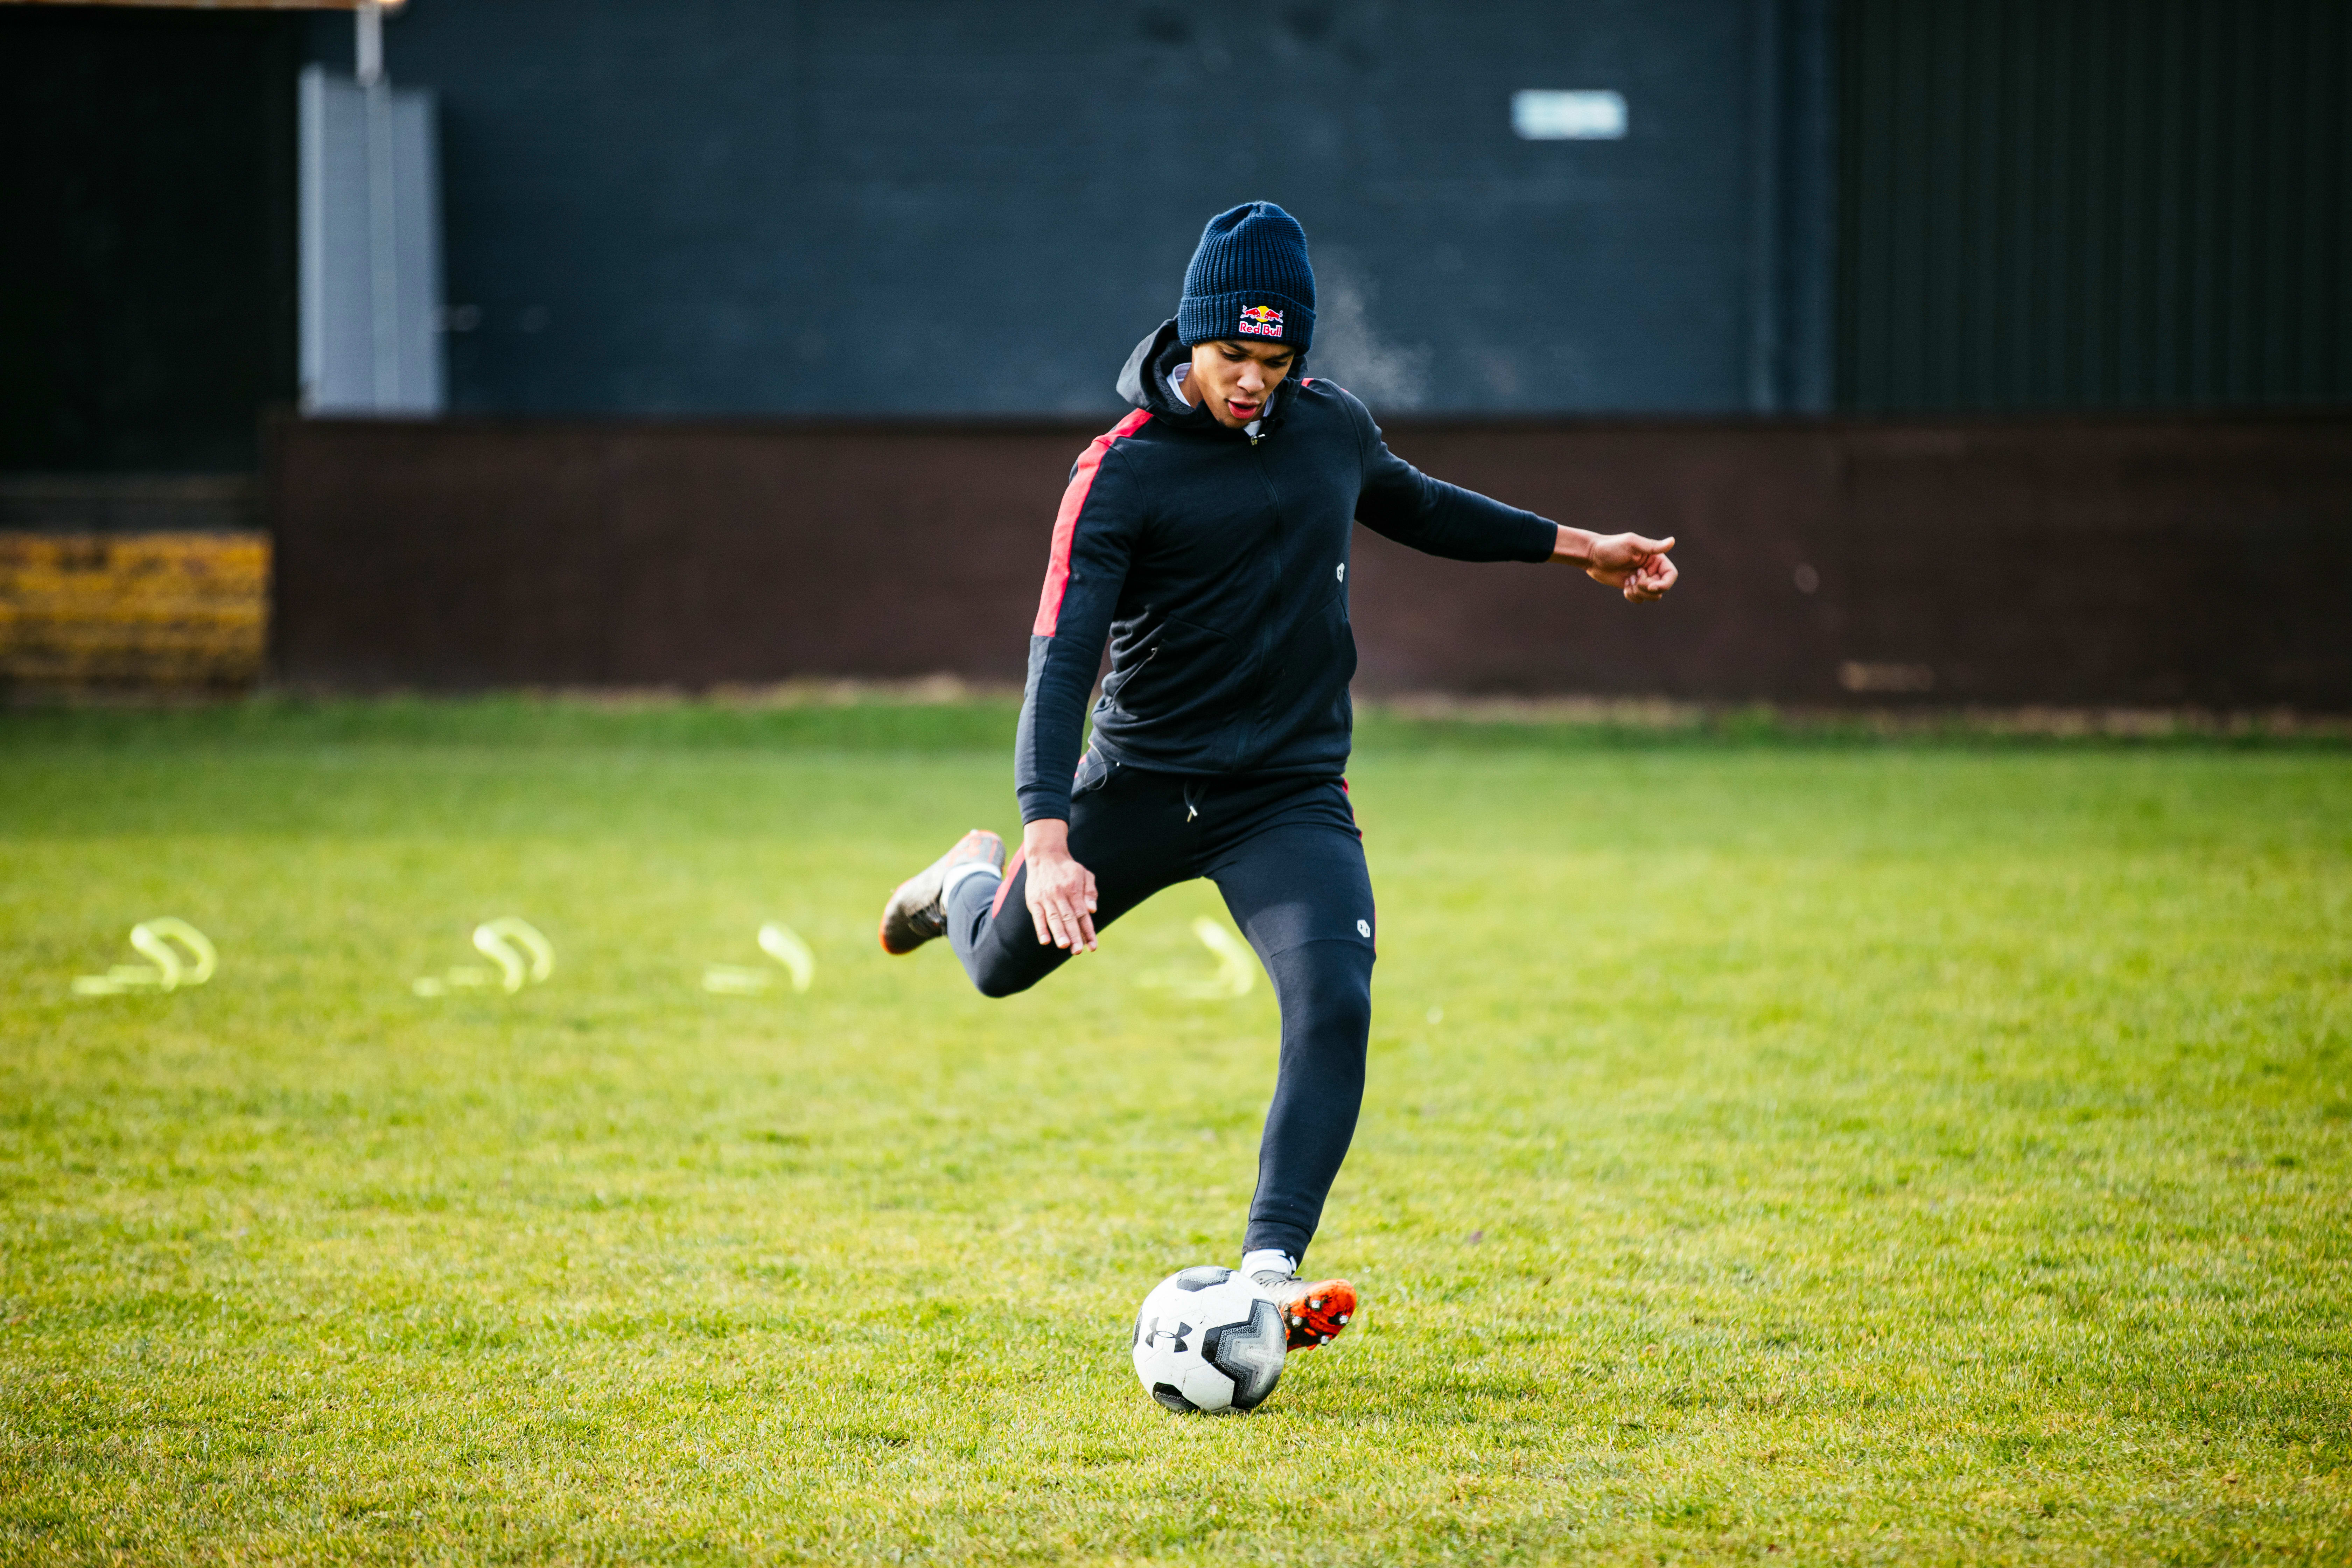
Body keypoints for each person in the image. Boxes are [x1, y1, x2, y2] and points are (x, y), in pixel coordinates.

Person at [878, 202, 1677, 1355]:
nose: (1254, 382)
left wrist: (1582, 548)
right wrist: (1044, 838)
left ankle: (1264, 1278)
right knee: (999, 970)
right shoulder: (1118, 474)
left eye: (1277, 359)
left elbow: (1424, 506)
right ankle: (964, 879)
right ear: (1187, 339)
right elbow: (1060, 662)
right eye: (1232, 357)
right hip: (1144, 785)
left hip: (1287, 796)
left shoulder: (1330, 428)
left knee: (1335, 1005)